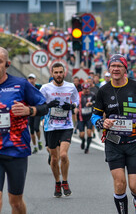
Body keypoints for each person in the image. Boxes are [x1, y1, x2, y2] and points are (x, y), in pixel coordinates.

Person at [91, 54, 136, 214]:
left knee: (135, 186)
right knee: (120, 185)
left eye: (119, 66)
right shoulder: (103, 90)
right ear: (109, 69)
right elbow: (95, 115)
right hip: (113, 143)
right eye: (113, 66)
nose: (116, 69)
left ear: (125, 69)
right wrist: (101, 123)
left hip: (134, 143)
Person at [0, 47, 48, 214]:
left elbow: (44, 106)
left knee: (16, 202)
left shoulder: (20, 85)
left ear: (7, 64)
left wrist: (30, 111)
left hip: (16, 150)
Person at [40, 62, 79, 198]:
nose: (58, 75)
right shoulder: (45, 88)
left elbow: (76, 101)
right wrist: (48, 105)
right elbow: (39, 103)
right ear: (52, 74)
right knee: (54, 158)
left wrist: (72, 106)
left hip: (66, 126)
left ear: (64, 73)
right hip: (50, 127)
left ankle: (65, 181)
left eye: (60, 72)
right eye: (56, 72)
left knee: (63, 155)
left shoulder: (71, 86)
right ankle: (57, 182)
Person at [76, 83, 96, 154]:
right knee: (82, 134)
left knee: (89, 133)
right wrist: (76, 108)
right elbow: (75, 103)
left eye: (88, 89)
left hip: (89, 117)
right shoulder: (79, 95)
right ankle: (83, 141)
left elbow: (96, 103)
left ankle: (87, 148)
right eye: (85, 89)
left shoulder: (92, 95)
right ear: (82, 89)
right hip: (81, 117)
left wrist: (91, 104)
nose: (87, 90)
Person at [27, 73, 43, 153]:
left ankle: (39, 141)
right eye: (30, 79)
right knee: (32, 131)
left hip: (37, 110)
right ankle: (35, 146)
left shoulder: (39, 87)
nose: (31, 80)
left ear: (35, 80)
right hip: (29, 112)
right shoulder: (26, 88)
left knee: (37, 128)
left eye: (32, 79)